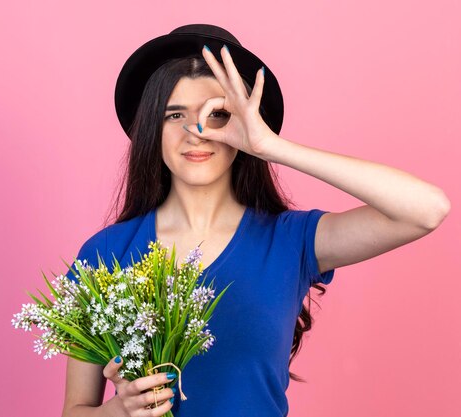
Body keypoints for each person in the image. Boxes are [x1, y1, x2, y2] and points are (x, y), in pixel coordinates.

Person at [59, 24, 451, 417]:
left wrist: (271, 147)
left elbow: (426, 209)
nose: (195, 133)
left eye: (217, 115)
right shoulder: (104, 254)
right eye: (174, 114)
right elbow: (76, 410)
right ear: (150, 130)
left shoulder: (291, 241)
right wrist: (117, 411)